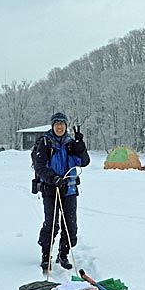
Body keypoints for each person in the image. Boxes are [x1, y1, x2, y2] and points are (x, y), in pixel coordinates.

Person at [33, 112, 90, 270]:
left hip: (69, 190)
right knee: (51, 224)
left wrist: (80, 147)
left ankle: (63, 254)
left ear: (66, 126)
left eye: (62, 123)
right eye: (56, 123)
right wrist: (53, 178)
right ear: (52, 126)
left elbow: (84, 162)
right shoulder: (45, 142)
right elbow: (40, 166)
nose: (59, 126)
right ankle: (46, 256)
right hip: (51, 189)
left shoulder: (71, 143)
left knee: (70, 226)